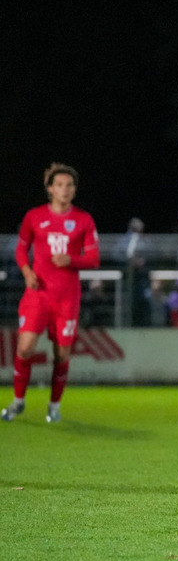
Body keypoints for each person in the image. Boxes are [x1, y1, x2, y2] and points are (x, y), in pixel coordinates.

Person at [3, 163, 99, 423]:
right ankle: (18, 401)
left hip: (67, 298)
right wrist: (26, 272)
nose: (65, 190)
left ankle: (54, 406)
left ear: (74, 190)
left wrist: (71, 260)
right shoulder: (34, 217)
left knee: (62, 355)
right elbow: (21, 249)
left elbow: (93, 259)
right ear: (50, 189)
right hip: (38, 295)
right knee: (24, 348)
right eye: (59, 185)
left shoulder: (84, 220)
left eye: (69, 185)